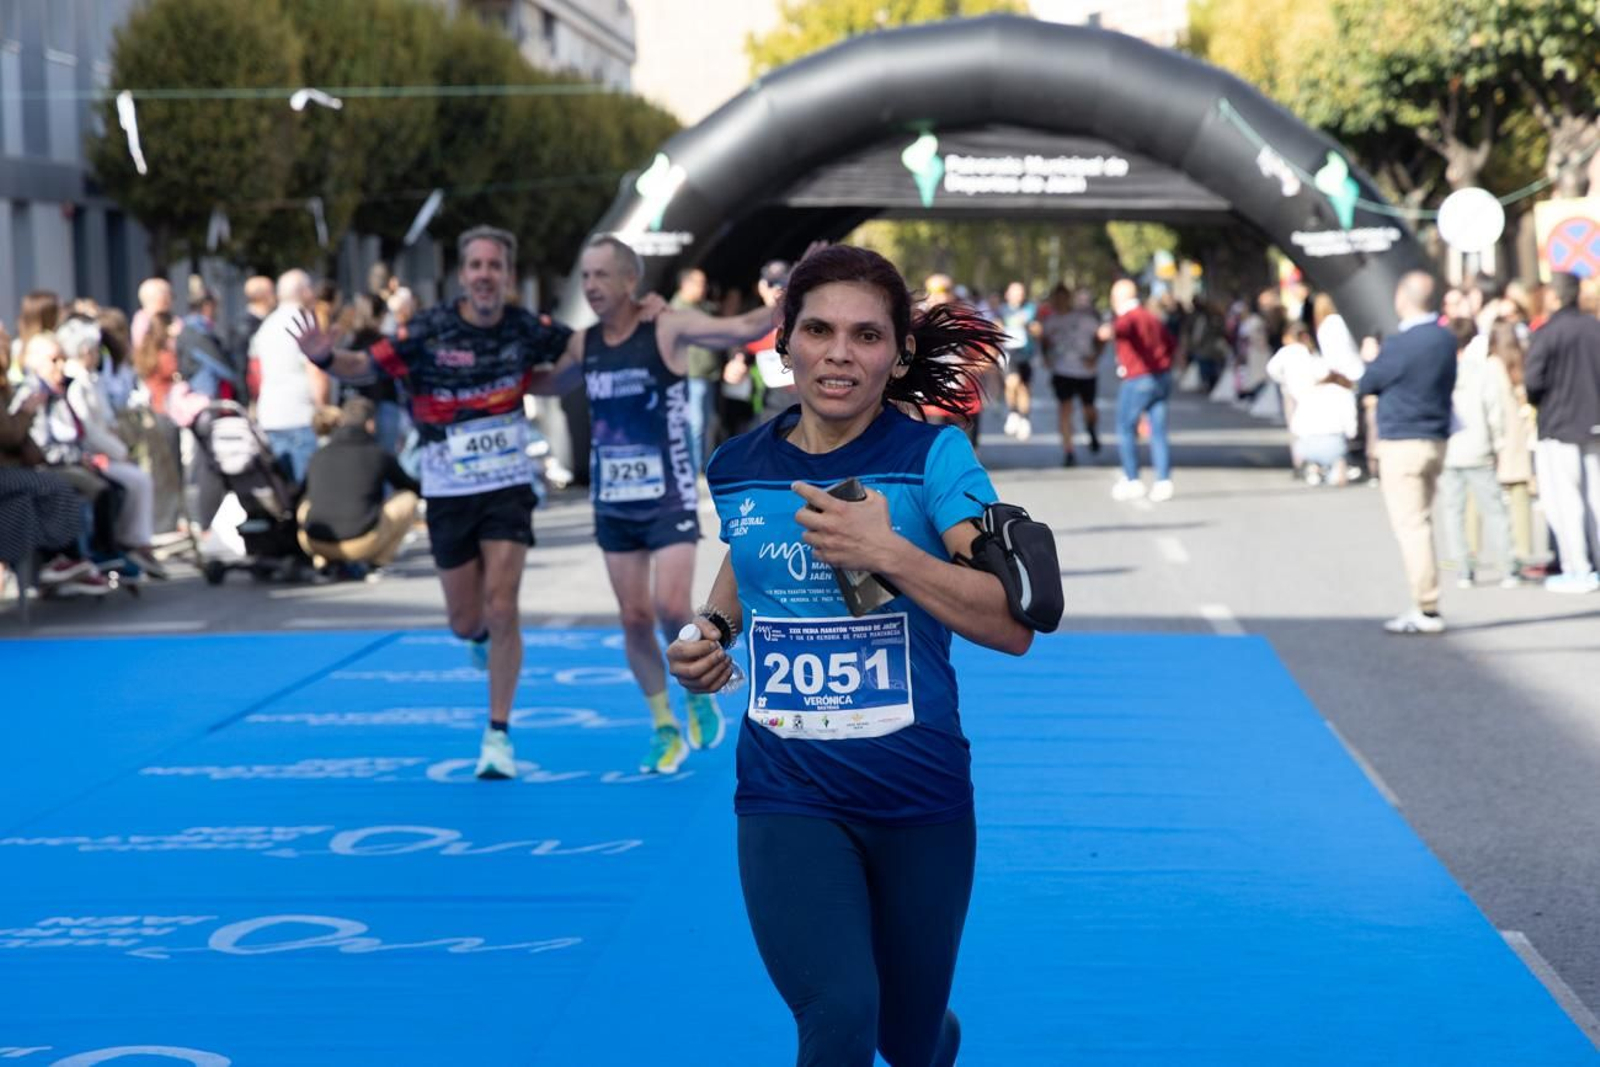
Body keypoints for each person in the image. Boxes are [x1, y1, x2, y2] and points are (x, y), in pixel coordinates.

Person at [666, 244, 1031, 1067]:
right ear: (783, 341)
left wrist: (892, 551)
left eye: (866, 335)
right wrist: (714, 634)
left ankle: (929, 1038)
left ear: (898, 352)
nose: (839, 352)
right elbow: (746, 553)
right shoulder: (738, 467)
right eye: (819, 329)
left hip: (920, 797)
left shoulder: (934, 461)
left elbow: (1011, 624)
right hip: (786, 794)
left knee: (903, 1037)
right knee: (838, 1015)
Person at [291, 225, 580, 780]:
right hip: (448, 491)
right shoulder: (427, 329)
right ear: (462, 275)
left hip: (506, 487)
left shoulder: (527, 328)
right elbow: (363, 367)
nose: (485, 275)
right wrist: (327, 358)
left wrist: (611, 340)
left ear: (508, 276)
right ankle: (475, 637)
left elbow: (576, 353)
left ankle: (498, 735)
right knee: (465, 618)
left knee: (502, 607)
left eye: (495, 266)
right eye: (475, 265)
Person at [528, 235, 781, 774]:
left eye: (602, 276)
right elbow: (547, 384)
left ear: (629, 282)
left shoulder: (665, 327)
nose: (591, 286)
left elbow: (737, 330)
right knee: (634, 617)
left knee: (671, 607)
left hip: (667, 497)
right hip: (613, 502)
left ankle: (696, 692)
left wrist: (788, 298)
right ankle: (664, 725)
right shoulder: (584, 343)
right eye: (585, 277)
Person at [1358, 271, 1458, 633]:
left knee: (1411, 526)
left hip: (1403, 441)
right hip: (1435, 437)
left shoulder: (1401, 344)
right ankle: (1425, 602)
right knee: (1423, 520)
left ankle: (1426, 607)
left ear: (1403, 297)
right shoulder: (1445, 340)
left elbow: (1368, 382)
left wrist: (1371, 357)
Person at [1524, 271, 1600, 593]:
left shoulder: (1547, 333)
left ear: (1553, 296)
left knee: (1566, 500)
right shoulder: (1594, 329)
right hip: (1594, 420)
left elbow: (1533, 382)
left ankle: (1577, 567)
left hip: (1559, 424)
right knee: (1596, 496)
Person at [297, 396, 421, 578]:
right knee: (407, 499)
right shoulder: (378, 454)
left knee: (306, 505)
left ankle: (323, 563)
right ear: (370, 424)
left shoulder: (318, 454)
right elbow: (410, 487)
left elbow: (301, 493)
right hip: (361, 544)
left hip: (315, 542)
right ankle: (378, 564)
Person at [1439, 319, 1516, 587]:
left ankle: (1463, 569)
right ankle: (1507, 567)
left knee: (1453, 511)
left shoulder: (1440, 373)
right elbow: (1494, 411)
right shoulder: (1481, 372)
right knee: (1493, 509)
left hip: (1449, 449)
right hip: (1479, 445)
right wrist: (1497, 443)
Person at [1098, 279, 1176, 501]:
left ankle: (1132, 479)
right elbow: (1171, 343)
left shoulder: (1128, 317)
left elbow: (1122, 329)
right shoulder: (1152, 317)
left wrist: (1108, 330)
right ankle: (1163, 480)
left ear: (1119, 298)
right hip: (1162, 376)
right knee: (1158, 431)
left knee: (1125, 427)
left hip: (1138, 378)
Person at [253, 269, 330, 485]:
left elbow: (256, 372)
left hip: (271, 415)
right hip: (300, 414)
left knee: (284, 490)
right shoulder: (306, 322)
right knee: (306, 486)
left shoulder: (267, 325)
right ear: (304, 291)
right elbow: (316, 370)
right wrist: (323, 408)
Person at [1266, 321, 1357, 486]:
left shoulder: (1287, 352)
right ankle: (1331, 468)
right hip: (1313, 390)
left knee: (1298, 426)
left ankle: (1303, 463)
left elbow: (1271, 369)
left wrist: (1283, 380)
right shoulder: (1312, 352)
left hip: (1294, 394)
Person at [1042, 285, 1101, 466]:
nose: (1059, 301)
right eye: (1056, 297)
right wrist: (1046, 358)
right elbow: (1044, 341)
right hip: (1062, 371)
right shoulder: (1050, 321)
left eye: (1063, 297)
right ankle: (1069, 450)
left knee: (1088, 409)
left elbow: (1100, 338)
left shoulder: (1084, 318)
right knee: (1065, 410)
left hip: (1085, 371)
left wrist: (1095, 357)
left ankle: (1091, 428)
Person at [671, 267, 721, 471]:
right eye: (700, 283)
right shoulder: (675, 310)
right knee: (695, 424)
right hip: (691, 376)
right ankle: (694, 465)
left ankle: (704, 463)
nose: (704, 288)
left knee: (708, 423)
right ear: (686, 284)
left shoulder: (700, 307)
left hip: (706, 374)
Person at [747, 260, 797, 421]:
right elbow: (740, 347)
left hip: (805, 401)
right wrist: (736, 362)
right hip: (770, 404)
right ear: (761, 287)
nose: (776, 290)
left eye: (782, 283)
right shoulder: (752, 323)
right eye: (771, 284)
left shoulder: (804, 317)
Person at [998, 280, 1039, 440]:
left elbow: (1037, 328)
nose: (1018, 296)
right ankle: (1013, 412)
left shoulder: (1031, 309)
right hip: (1009, 352)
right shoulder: (1001, 310)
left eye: (1021, 293)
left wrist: (1034, 328)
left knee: (1024, 388)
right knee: (1012, 382)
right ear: (1008, 294)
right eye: (1015, 292)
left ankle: (1024, 418)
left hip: (1026, 353)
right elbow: (995, 325)